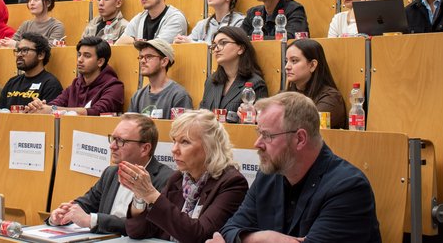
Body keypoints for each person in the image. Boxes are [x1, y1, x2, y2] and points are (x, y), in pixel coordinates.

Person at [212, 92, 380, 243]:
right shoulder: (268, 175)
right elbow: (228, 231)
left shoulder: (348, 188)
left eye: (267, 135)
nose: (257, 144)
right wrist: (263, 238)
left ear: (300, 139)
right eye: (258, 133)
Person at [122, 109, 247, 241]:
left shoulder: (232, 183)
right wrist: (140, 196)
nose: (174, 149)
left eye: (184, 142)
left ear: (210, 147)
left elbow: (200, 235)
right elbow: (137, 231)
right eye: (174, 141)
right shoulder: (178, 178)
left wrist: (151, 194)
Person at [47, 114, 172, 233]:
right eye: (112, 139)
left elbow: (147, 227)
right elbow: (86, 203)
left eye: (121, 140)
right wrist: (61, 215)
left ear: (144, 149)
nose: (112, 146)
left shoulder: (166, 179)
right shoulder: (110, 173)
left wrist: (92, 220)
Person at [25, 36, 125, 115]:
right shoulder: (76, 84)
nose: (80, 59)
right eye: (79, 55)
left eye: (87, 56)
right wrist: (38, 107)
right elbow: (55, 104)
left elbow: (96, 112)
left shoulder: (114, 87)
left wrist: (51, 109)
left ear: (100, 62)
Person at [199, 26, 268, 121]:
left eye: (223, 43)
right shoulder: (211, 81)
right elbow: (202, 115)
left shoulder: (256, 84)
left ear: (241, 48)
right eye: (214, 45)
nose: (216, 49)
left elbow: (259, 124)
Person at [285, 39, 347, 129]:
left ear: (312, 65)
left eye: (294, 61)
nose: (287, 67)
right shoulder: (285, 94)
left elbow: (304, 129)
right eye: (286, 61)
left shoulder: (331, 98)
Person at [0, 32, 64, 109]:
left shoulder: (51, 84)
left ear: (41, 55)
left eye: (25, 50)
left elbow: (49, 116)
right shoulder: (12, 82)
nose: (19, 54)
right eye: (18, 50)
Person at [128, 39, 193, 118]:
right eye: (141, 57)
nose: (142, 61)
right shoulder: (137, 96)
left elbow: (182, 129)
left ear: (164, 61)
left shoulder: (179, 96)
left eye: (148, 57)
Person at [116, 0, 188, 45]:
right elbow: (119, 43)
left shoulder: (175, 18)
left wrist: (134, 42)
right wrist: (134, 41)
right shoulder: (138, 18)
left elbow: (158, 47)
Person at [175, 0, 244, 44]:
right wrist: (182, 41)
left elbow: (229, 48)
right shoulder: (202, 24)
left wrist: (192, 42)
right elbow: (190, 42)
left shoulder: (239, 21)